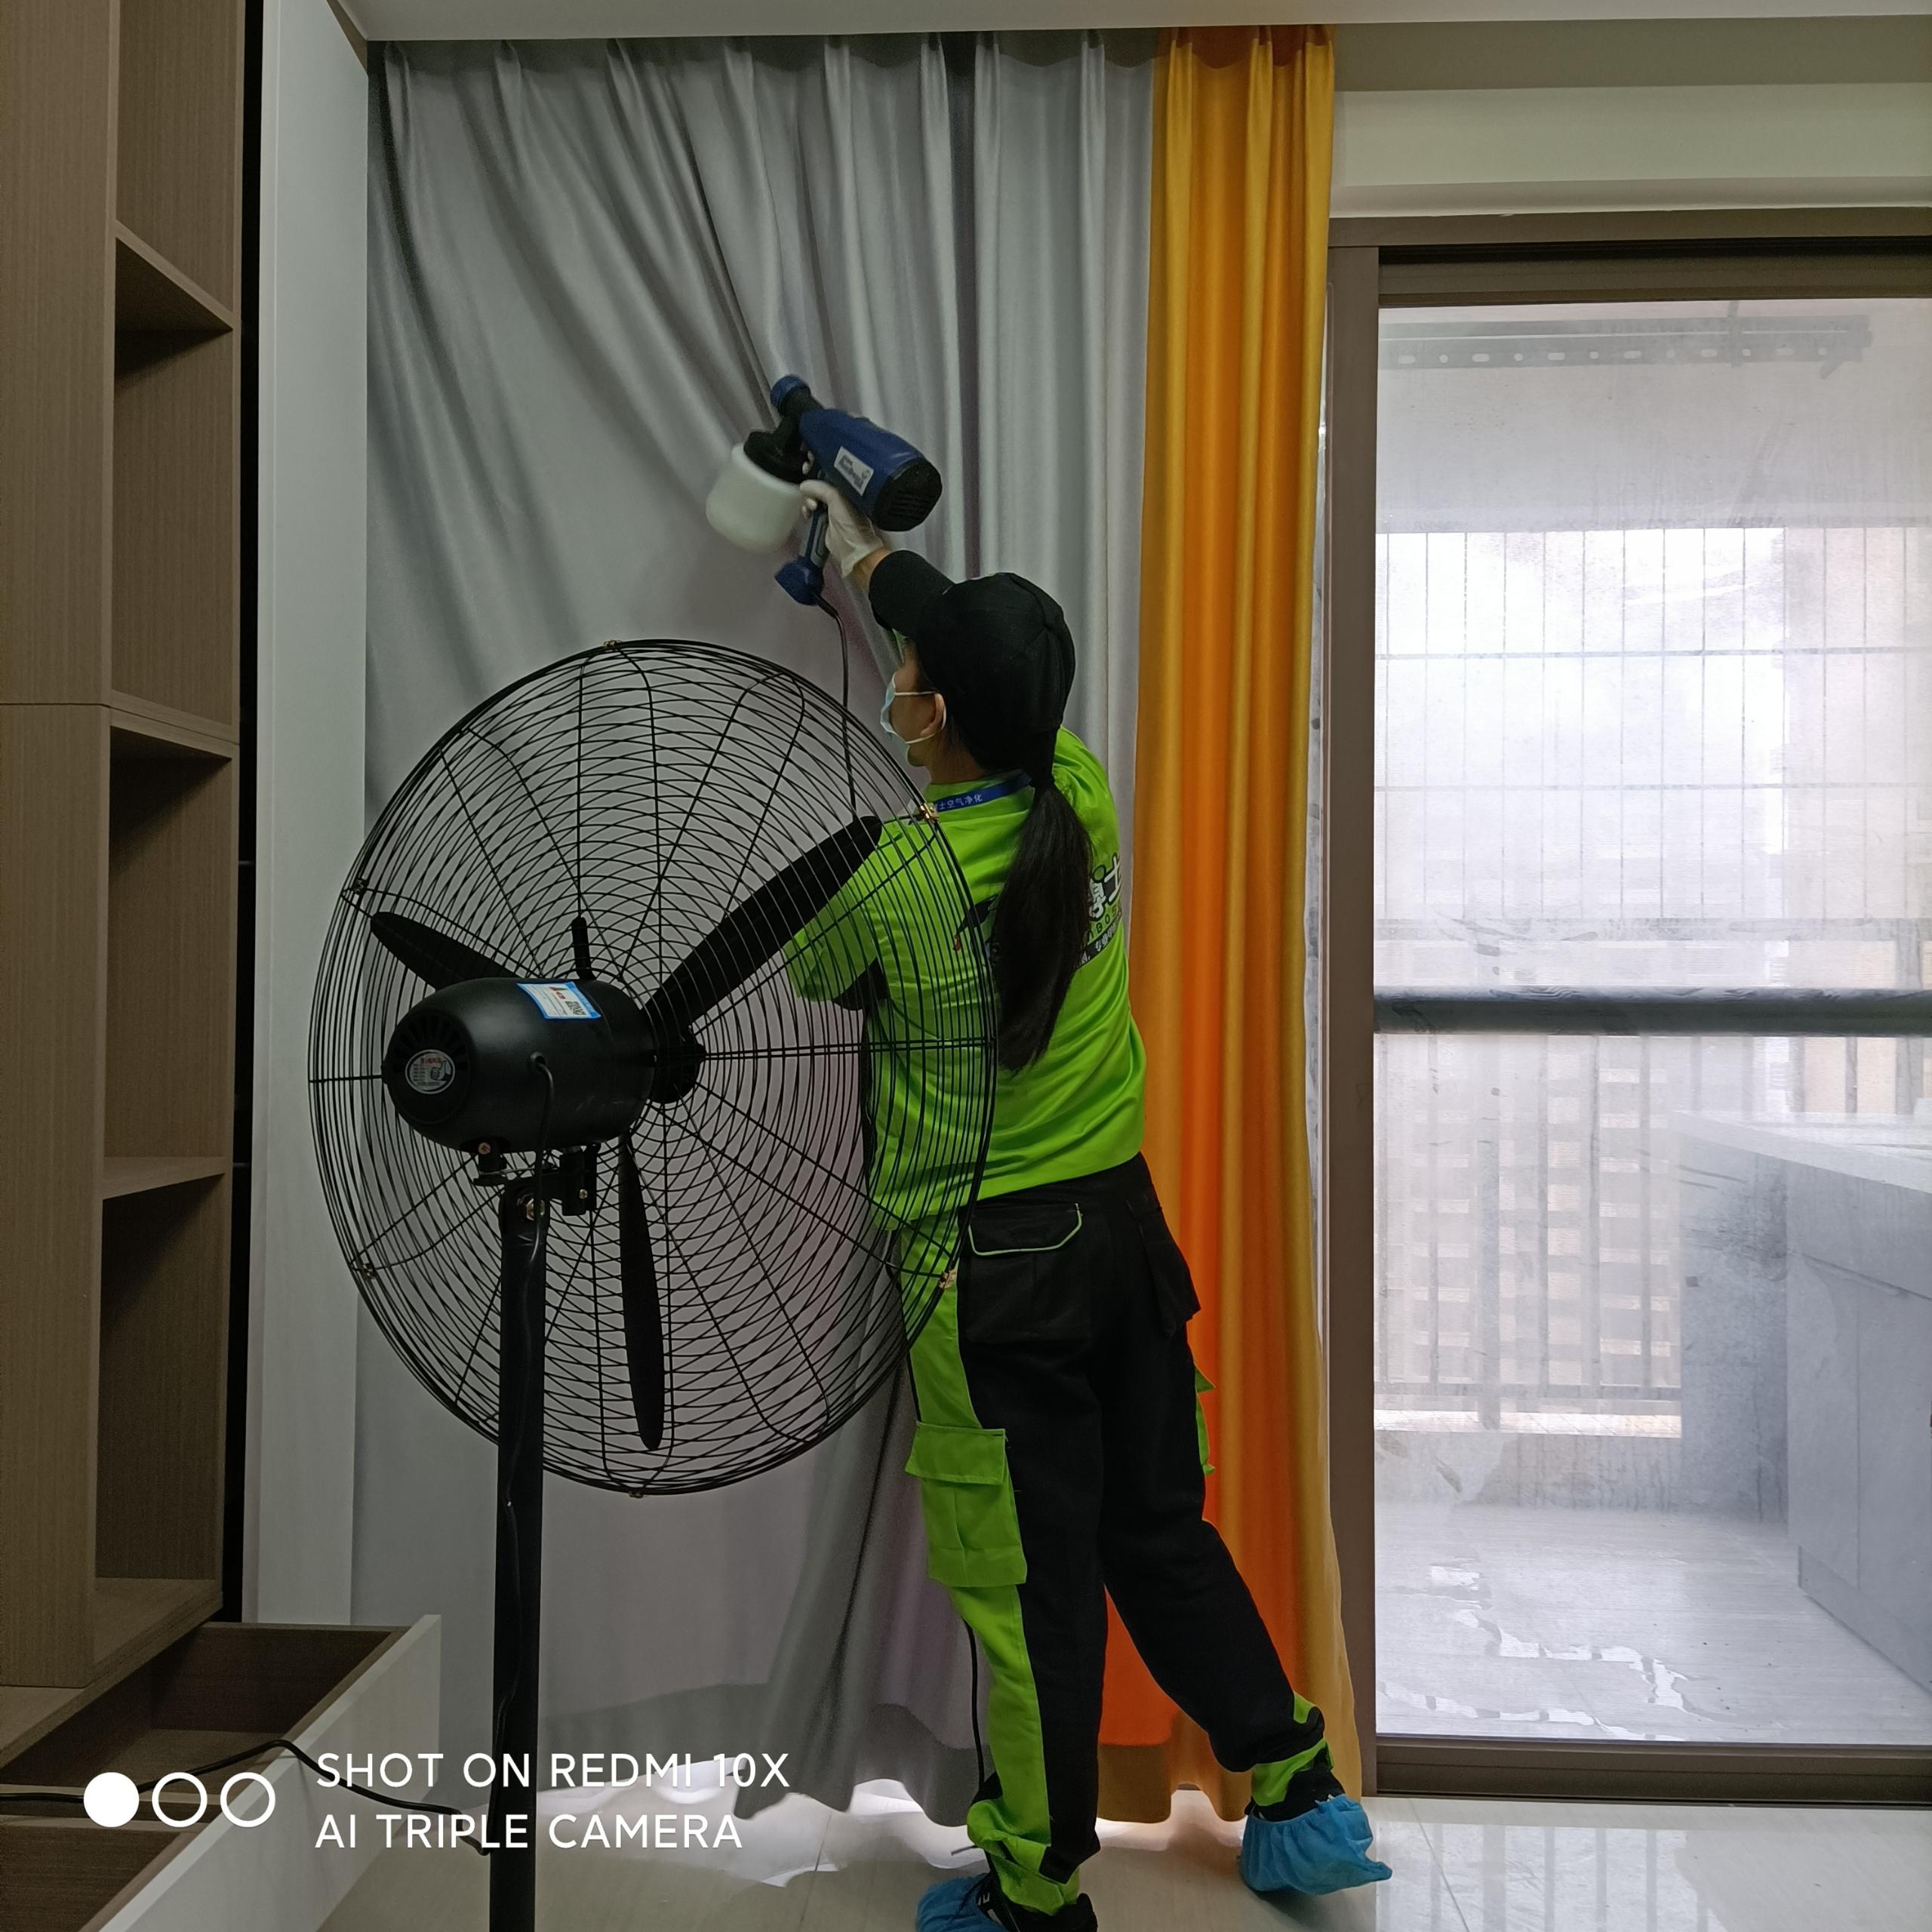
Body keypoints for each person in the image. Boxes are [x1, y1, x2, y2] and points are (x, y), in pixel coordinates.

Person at [792, 479, 1392, 1932]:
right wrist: (861, 559)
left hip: (990, 1279)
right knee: (1161, 1532)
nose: (902, 676)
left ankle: (1035, 1890)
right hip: (1124, 1242)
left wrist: (858, 573)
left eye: (913, 674)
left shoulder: (894, 879)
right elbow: (946, 636)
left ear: (931, 712)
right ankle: (1296, 1794)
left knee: (1029, 1595)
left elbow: (815, 971)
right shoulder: (1080, 794)